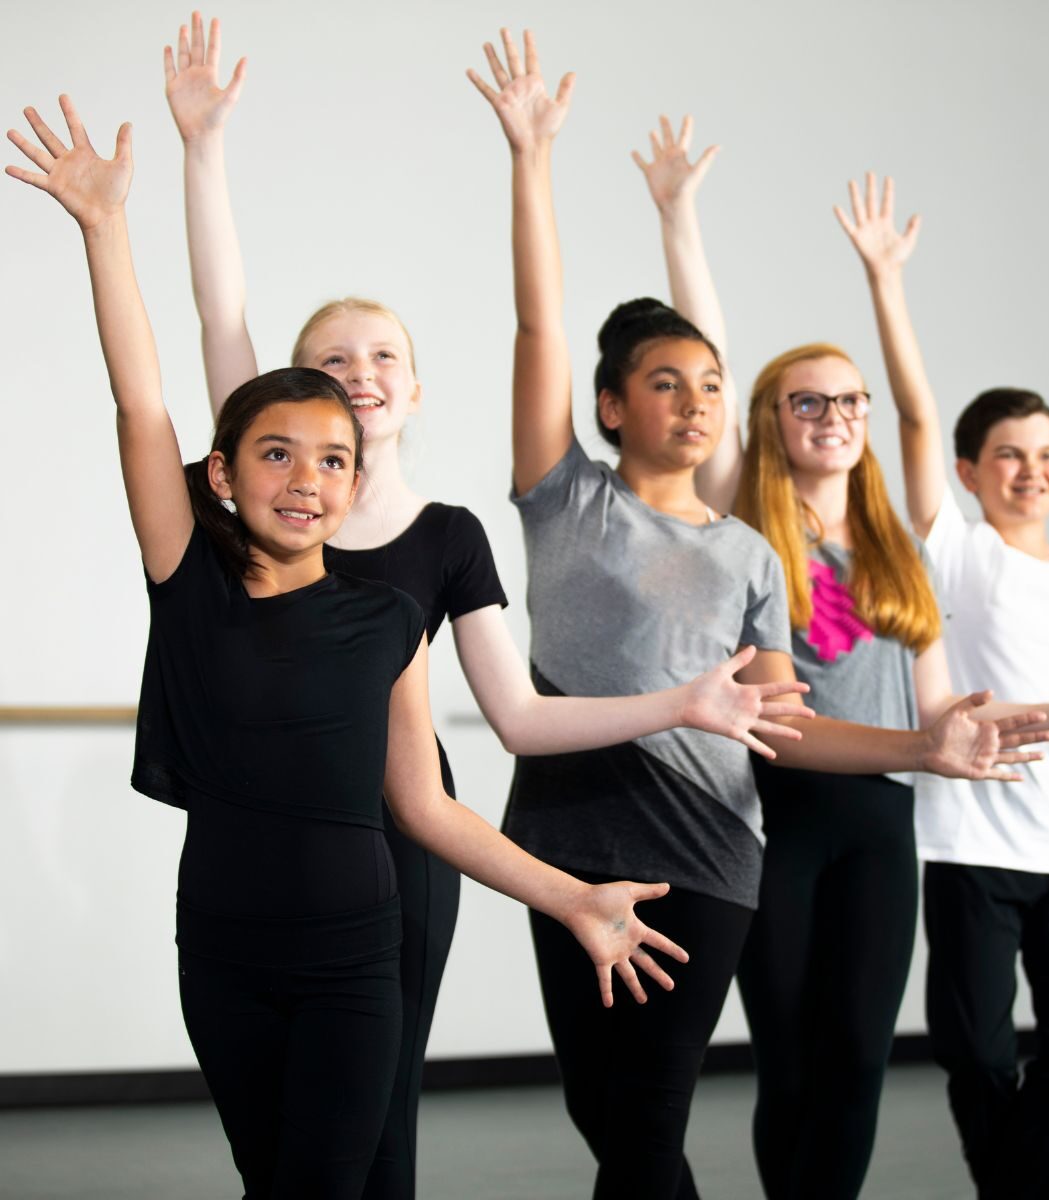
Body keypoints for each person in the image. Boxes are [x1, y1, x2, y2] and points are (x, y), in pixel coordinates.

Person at [160, 15, 811, 1196]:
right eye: (334, 360)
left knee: (381, 1100)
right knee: (282, 1133)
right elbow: (219, 323)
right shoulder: (261, 506)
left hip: (408, 836)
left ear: (412, 389)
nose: (360, 375)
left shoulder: (450, 538)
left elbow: (516, 716)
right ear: (290, 403)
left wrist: (685, 703)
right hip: (267, 837)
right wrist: (202, 152)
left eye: (383, 358)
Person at [5, 94, 692, 1200]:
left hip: (356, 958)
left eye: (330, 460)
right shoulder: (190, 579)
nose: (306, 478)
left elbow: (425, 808)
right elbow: (142, 401)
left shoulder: (387, 622)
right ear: (226, 476)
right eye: (274, 454)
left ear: (355, 474)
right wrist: (102, 226)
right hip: (221, 954)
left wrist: (569, 897)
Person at [469, 35, 1049, 1199]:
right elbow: (540, 326)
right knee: (606, 1116)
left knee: (644, 1129)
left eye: (707, 385)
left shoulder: (746, 552)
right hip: (563, 842)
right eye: (664, 383)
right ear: (610, 406)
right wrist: (531, 156)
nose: (691, 403)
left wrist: (919, 746)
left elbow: (785, 722)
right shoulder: (565, 498)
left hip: (708, 854)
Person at [633, 122, 1049, 1200]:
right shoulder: (747, 522)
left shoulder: (901, 548)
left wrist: (886, 281)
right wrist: (676, 215)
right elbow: (718, 350)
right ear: (771, 422)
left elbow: (941, 703)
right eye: (809, 401)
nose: (835, 414)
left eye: (850, 401)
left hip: (882, 826)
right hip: (772, 817)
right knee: (787, 1058)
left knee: (860, 1060)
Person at [836, 170, 1049, 1198]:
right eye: (1009, 456)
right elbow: (912, 409)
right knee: (978, 1053)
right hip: (969, 842)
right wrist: (887, 284)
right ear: (972, 470)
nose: (1032, 471)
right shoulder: (956, 551)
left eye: (1047, 454)